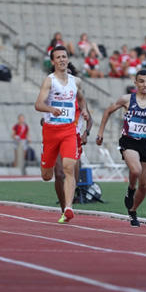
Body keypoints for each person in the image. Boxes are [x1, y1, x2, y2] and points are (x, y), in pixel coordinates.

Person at [96, 69, 146, 227]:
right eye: (141, 81)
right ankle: (130, 188)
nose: (144, 84)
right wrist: (100, 133)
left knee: (145, 186)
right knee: (135, 170)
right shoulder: (127, 99)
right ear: (136, 83)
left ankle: (133, 211)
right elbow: (107, 111)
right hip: (129, 141)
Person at [35, 46, 89, 223]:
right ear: (53, 61)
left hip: (68, 130)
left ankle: (68, 208)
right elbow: (38, 104)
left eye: (64, 56)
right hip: (51, 131)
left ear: (68, 59)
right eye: (58, 57)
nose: (62, 60)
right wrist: (51, 109)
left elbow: (81, 98)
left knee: (68, 167)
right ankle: (66, 206)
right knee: (47, 176)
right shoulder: (49, 81)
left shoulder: (76, 81)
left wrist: (85, 111)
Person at [52, 63, 93, 212]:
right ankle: (64, 207)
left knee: (72, 175)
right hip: (55, 134)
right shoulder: (51, 92)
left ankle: (68, 206)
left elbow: (90, 119)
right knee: (58, 174)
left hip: (72, 137)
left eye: (69, 74)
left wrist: (85, 133)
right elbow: (44, 114)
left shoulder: (78, 96)